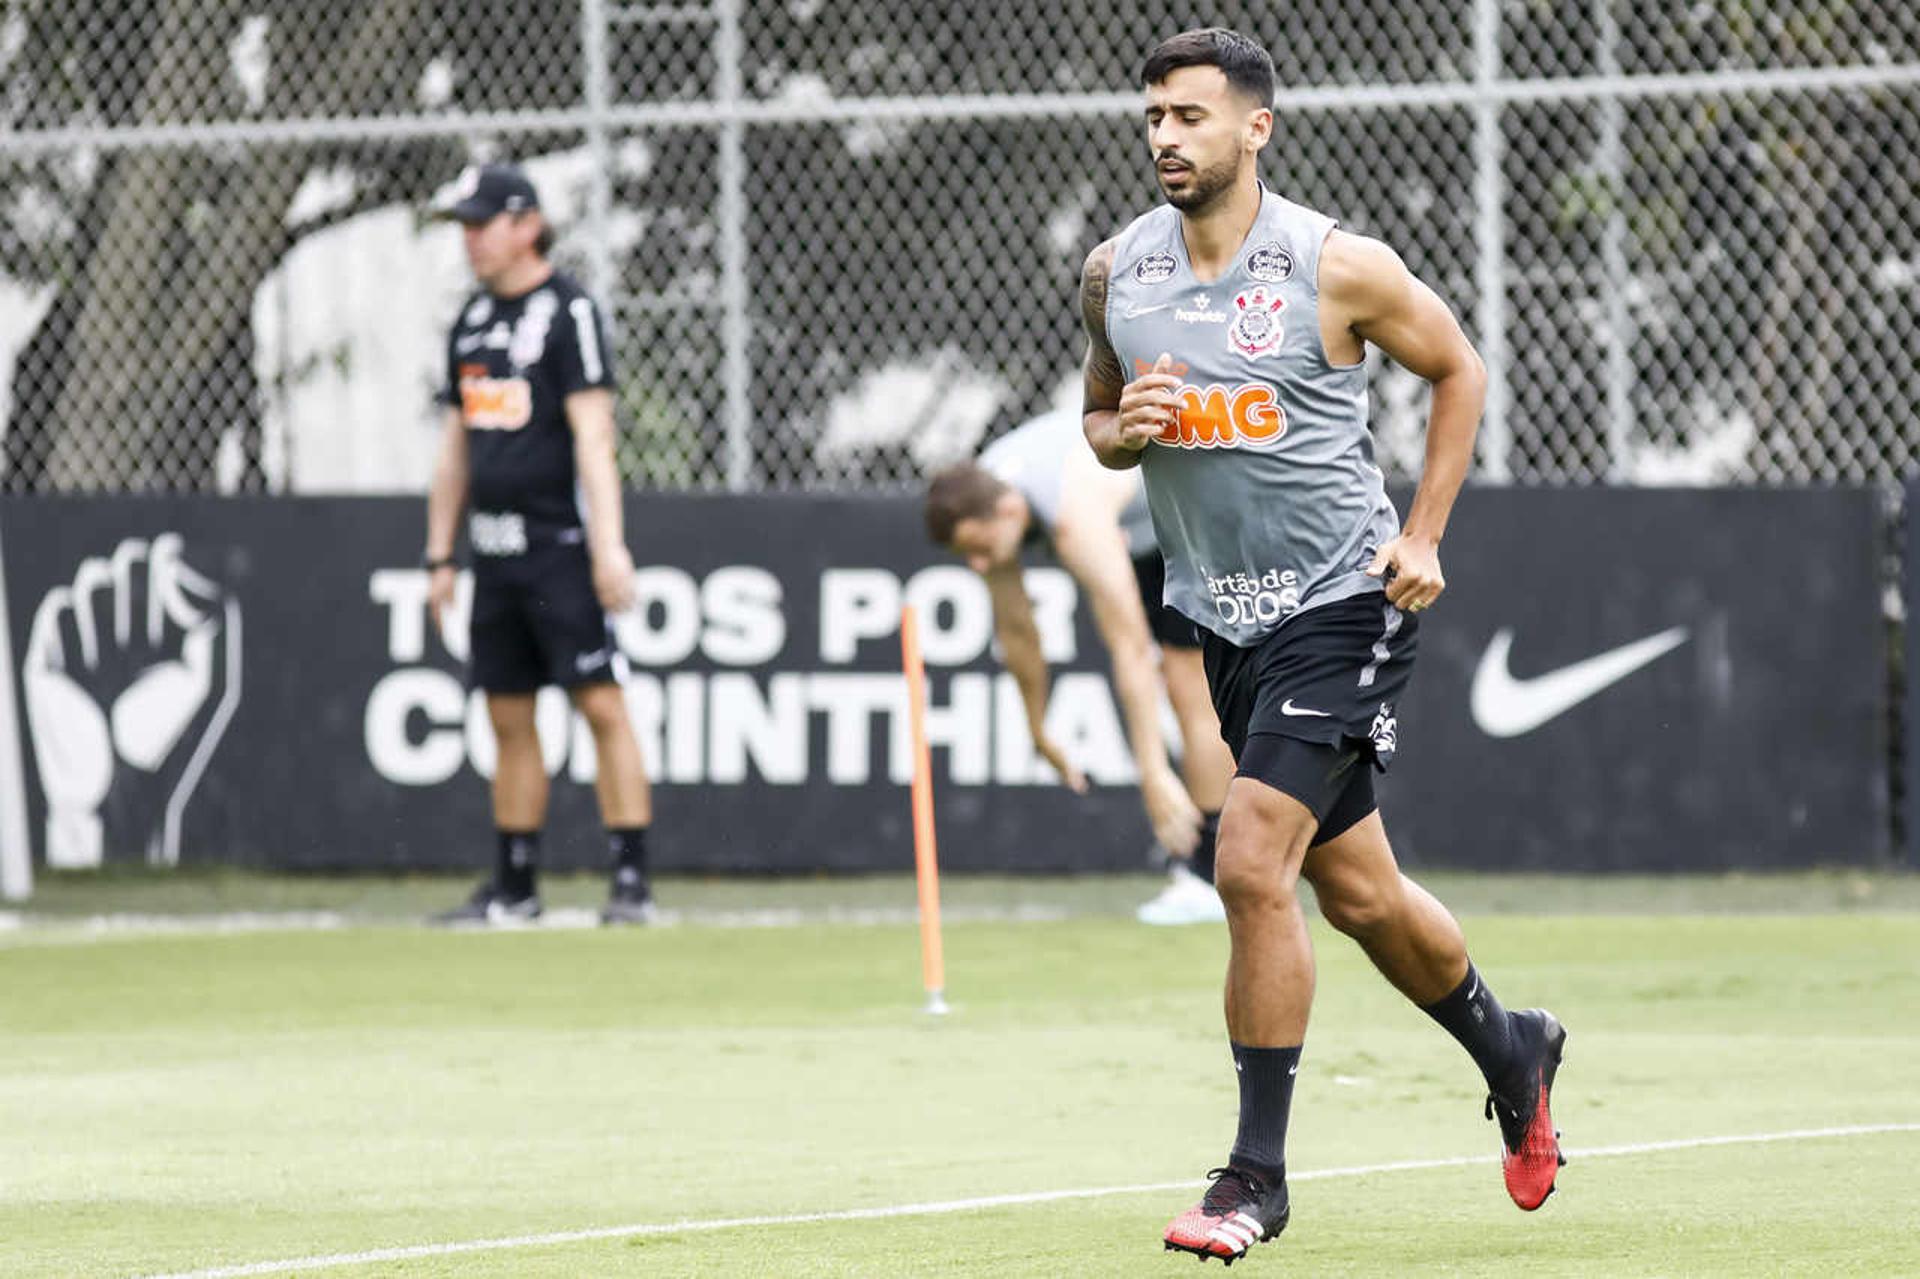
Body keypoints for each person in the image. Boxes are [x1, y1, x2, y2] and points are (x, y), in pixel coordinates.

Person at [1079, 29, 1567, 1263]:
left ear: (1257, 129)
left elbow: (1459, 369)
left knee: (1248, 861)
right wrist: (1118, 433)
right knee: (1357, 894)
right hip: (1224, 616)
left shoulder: (1332, 264)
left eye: (1191, 116)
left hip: (1346, 604)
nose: (1165, 139)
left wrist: (1427, 534)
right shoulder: (1114, 273)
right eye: (1153, 118)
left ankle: (1254, 1178)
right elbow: (1097, 415)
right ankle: (1514, 1046)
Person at [422, 163, 658, 927]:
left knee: (600, 702)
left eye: (482, 224)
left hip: (559, 542)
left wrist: (608, 545)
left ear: (528, 224)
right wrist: (439, 555)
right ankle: (515, 884)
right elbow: (456, 445)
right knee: (507, 714)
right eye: (464, 226)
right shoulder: (471, 323)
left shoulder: (568, 313)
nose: (471, 241)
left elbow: (595, 435)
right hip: (493, 555)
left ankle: (630, 880)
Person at [924, 408, 1236, 924]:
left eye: (978, 550)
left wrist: (1153, 773)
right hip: (1143, 526)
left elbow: (1131, 646)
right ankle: (1211, 865)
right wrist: (1037, 728)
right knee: (1180, 681)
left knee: (1186, 683)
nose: (978, 565)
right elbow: (1018, 632)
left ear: (1004, 513)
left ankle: (1209, 872)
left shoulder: (1074, 517)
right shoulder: (985, 495)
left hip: (1198, 510)